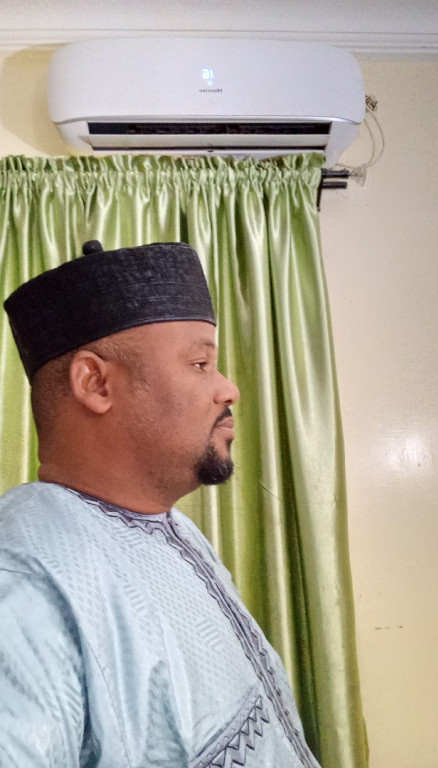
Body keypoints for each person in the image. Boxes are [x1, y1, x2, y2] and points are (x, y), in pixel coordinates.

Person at [0, 240, 321, 767]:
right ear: (95, 383)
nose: (229, 389)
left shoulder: (174, 529)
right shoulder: (25, 586)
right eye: (200, 363)